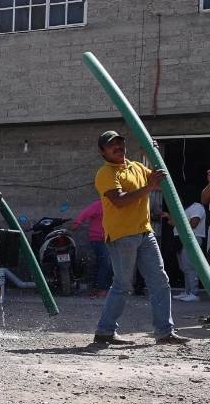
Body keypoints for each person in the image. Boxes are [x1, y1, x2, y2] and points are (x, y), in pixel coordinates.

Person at [91, 131, 189, 345]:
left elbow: (158, 176)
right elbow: (119, 200)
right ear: (103, 152)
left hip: (145, 232)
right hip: (121, 235)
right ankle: (104, 332)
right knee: (123, 285)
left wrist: (153, 152)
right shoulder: (106, 173)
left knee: (160, 281)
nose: (118, 147)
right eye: (112, 145)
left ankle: (165, 332)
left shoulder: (135, 166)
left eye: (120, 143)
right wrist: (148, 187)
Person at [163, 200, 207, 302]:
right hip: (181, 239)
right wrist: (170, 217)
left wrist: (175, 222)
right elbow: (175, 223)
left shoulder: (197, 206)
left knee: (190, 266)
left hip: (192, 239)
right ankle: (187, 292)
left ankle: (194, 293)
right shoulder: (185, 208)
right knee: (184, 267)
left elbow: (193, 223)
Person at [70, 199, 112, 297]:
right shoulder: (99, 204)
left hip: (111, 239)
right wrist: (77, 223)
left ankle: (96, 288)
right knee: (105, 264)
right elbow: (85, 213)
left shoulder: (116, 204)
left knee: (101, 264)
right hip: (98, 239)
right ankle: (101, 289)